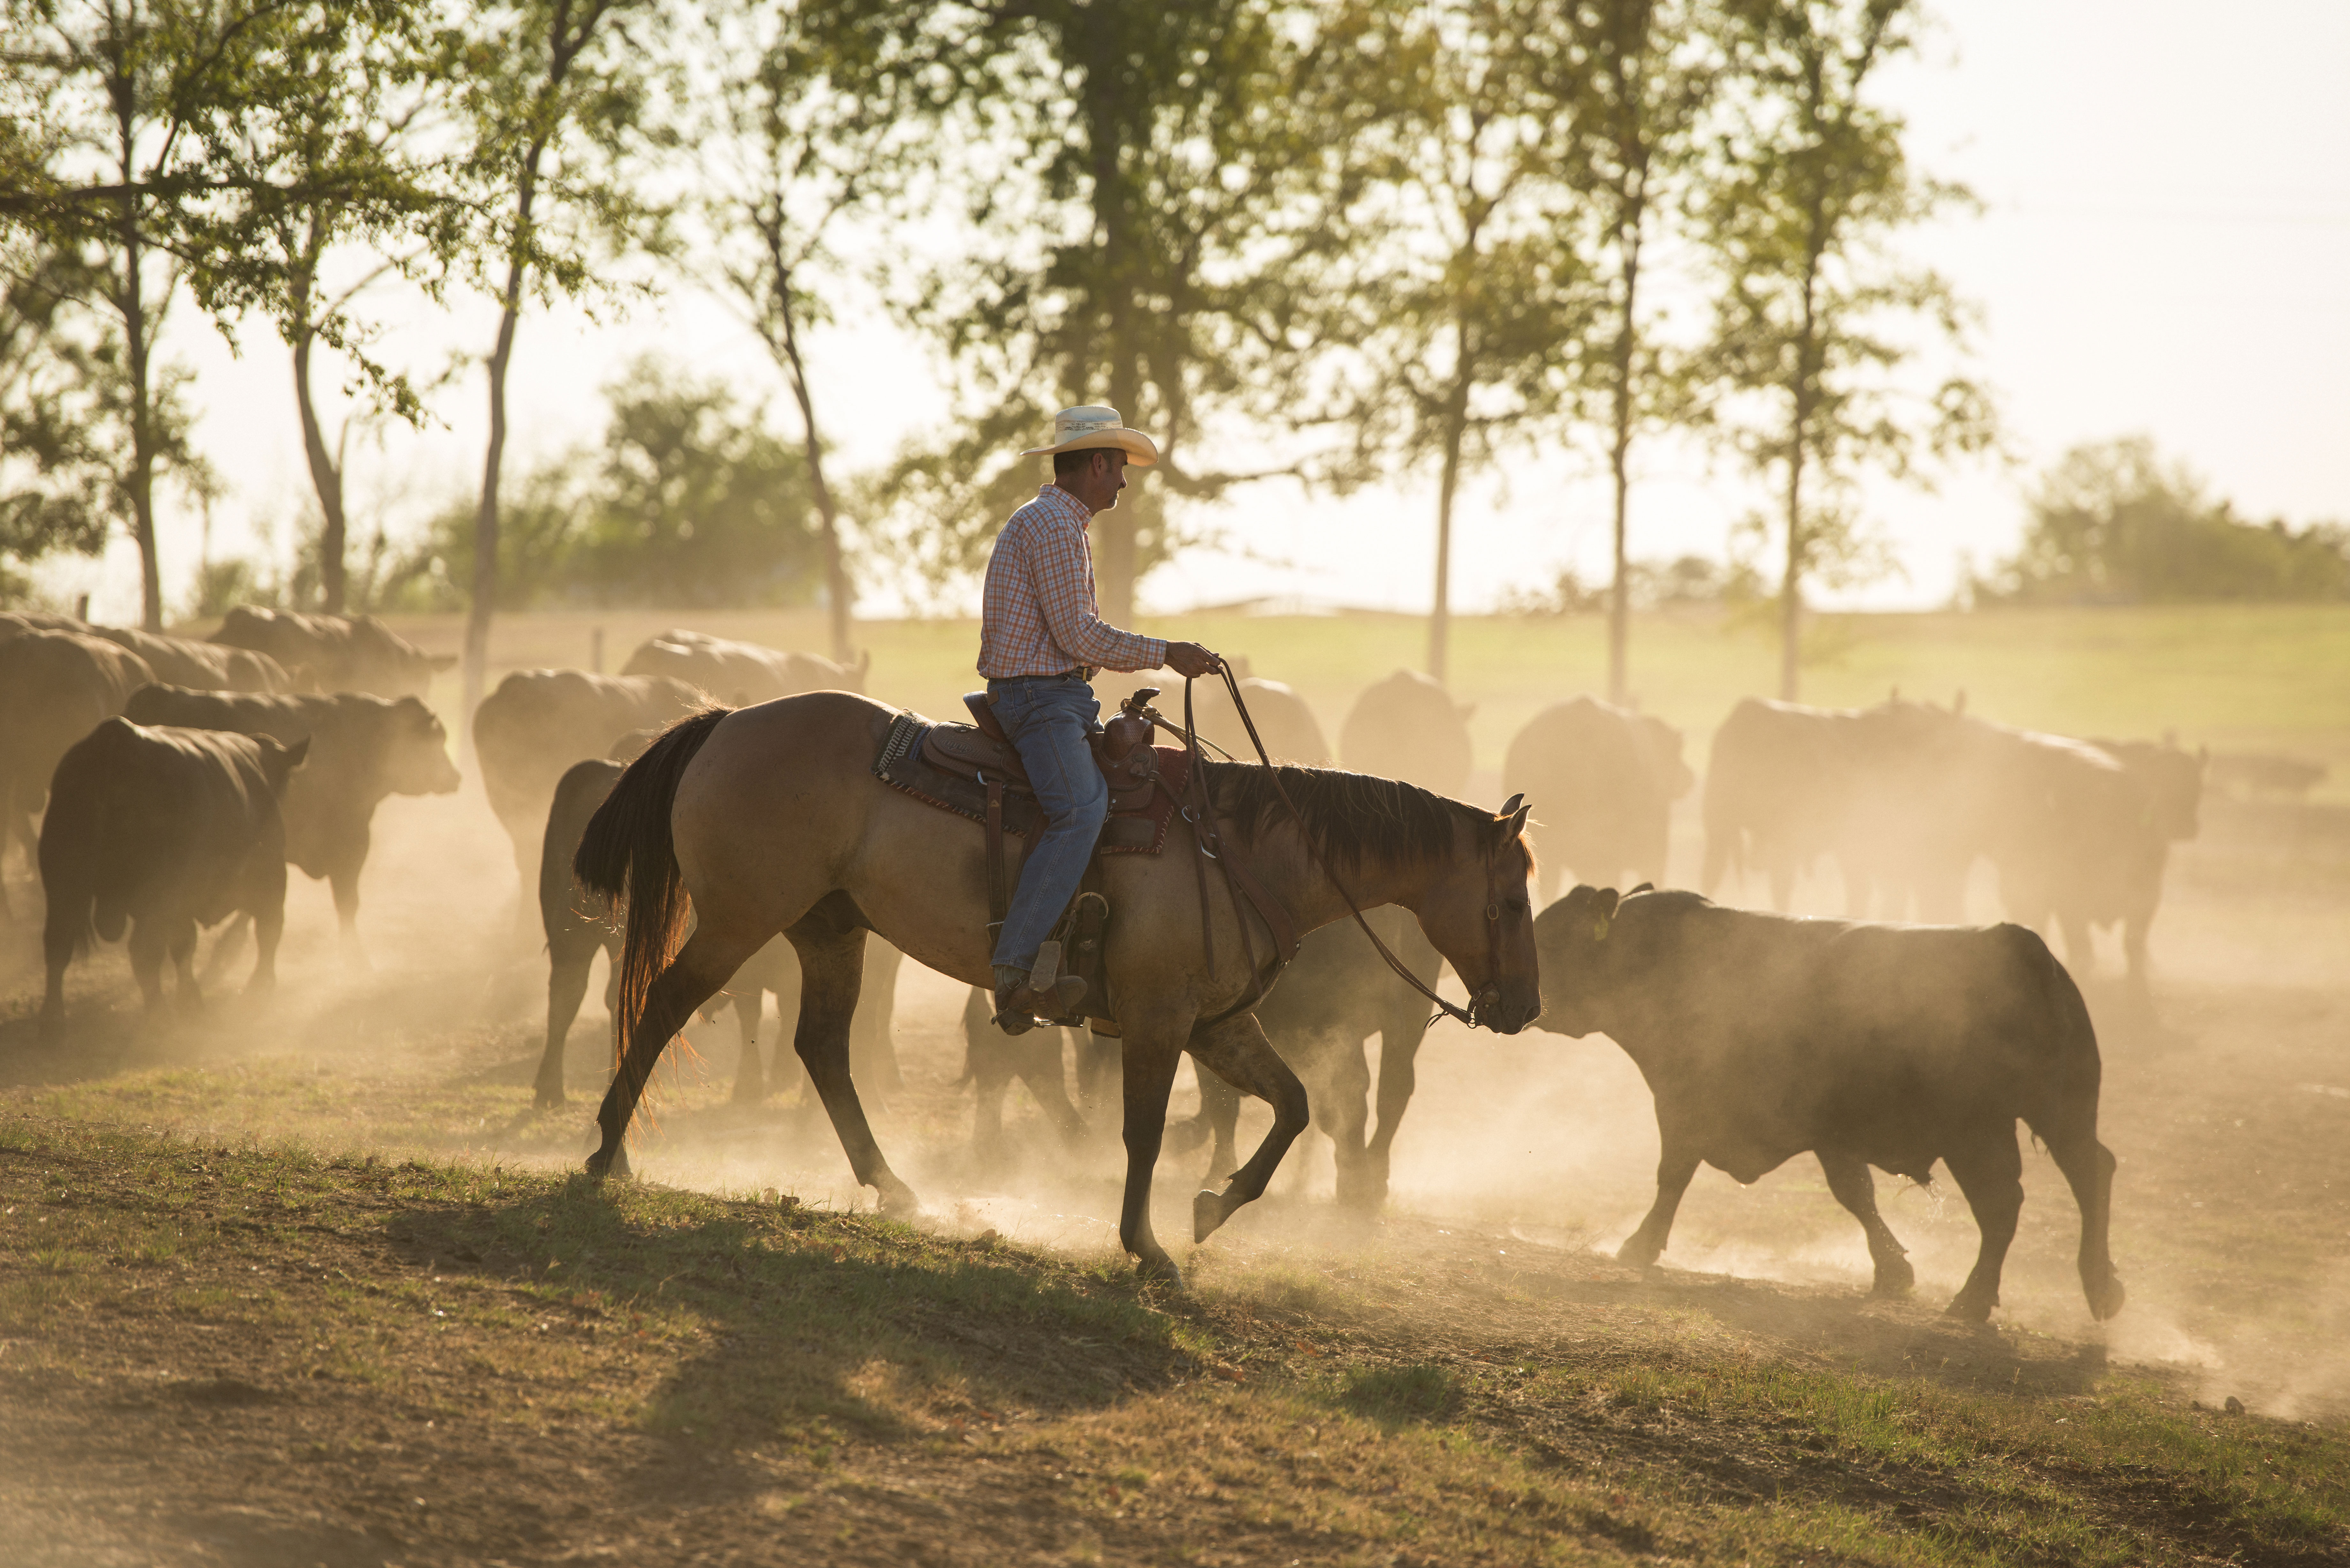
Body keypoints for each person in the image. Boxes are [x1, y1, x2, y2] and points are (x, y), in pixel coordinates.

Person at [978, 405, 1221, 1026]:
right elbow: (1080, 637)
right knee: (1081, 809)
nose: (1123, 481)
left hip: (1053, 695)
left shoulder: (1055, 523)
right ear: (1096, 463)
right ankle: (1014, 967)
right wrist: (1165, 655)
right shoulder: (1056, 527)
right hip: (1039, 700)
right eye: (1118, 468)